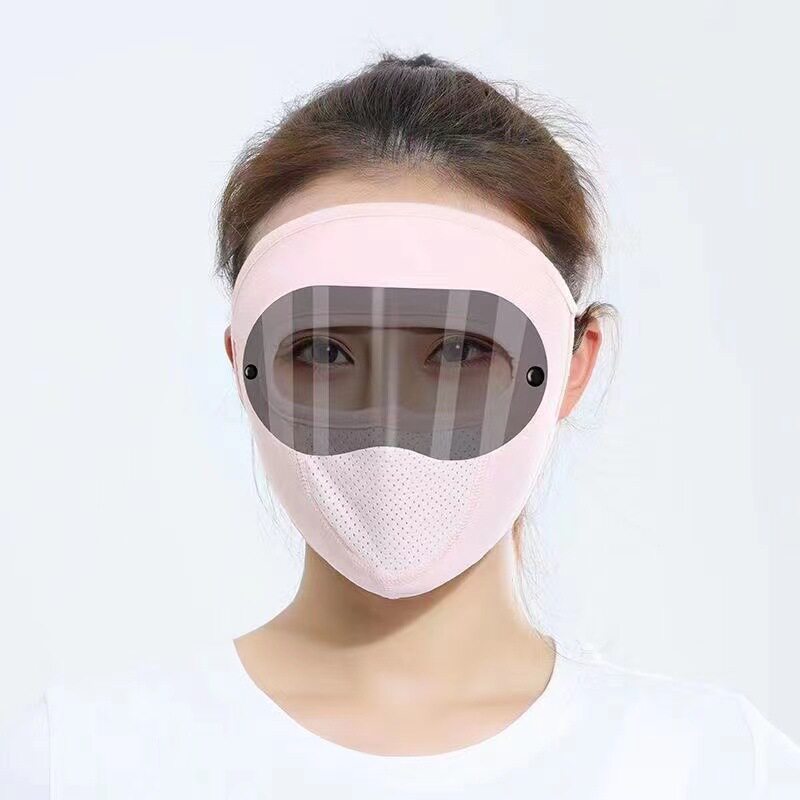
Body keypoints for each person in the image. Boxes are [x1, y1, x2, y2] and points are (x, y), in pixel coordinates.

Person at [2, 51, 799, 799]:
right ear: (243, 366)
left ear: (573, 366)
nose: (389, 424)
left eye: (461, 350)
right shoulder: (79, 765)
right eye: (323, 351)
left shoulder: (723, 769)